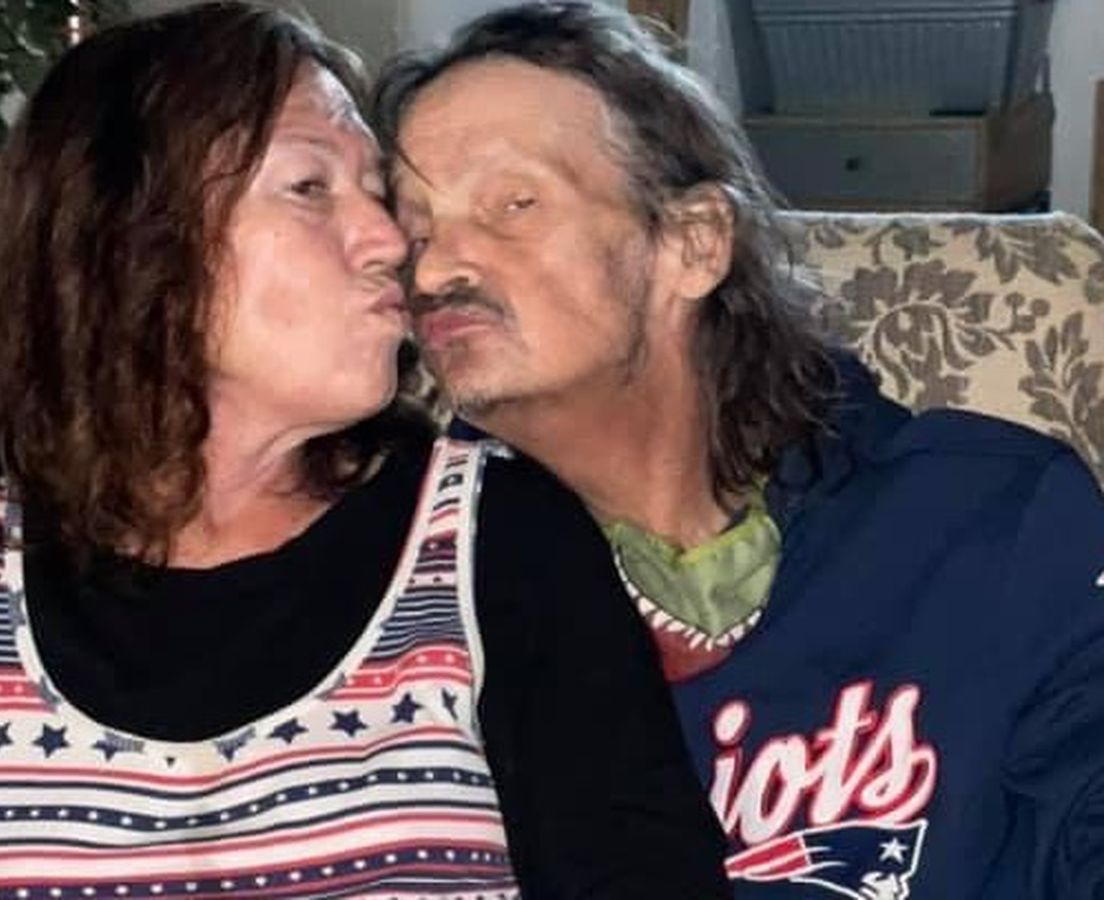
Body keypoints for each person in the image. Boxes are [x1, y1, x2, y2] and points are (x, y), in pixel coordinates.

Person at [0, 4, 733, 898]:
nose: (392, 243)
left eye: (375, 195)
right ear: (127, 236)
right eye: (309, 187)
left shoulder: (499, 539)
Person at [374, 2, 1104, 897]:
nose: (435, 270)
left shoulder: (993, 520)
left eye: (512, 205)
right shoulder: (412, 609)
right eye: (415, 231)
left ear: (694, 243)